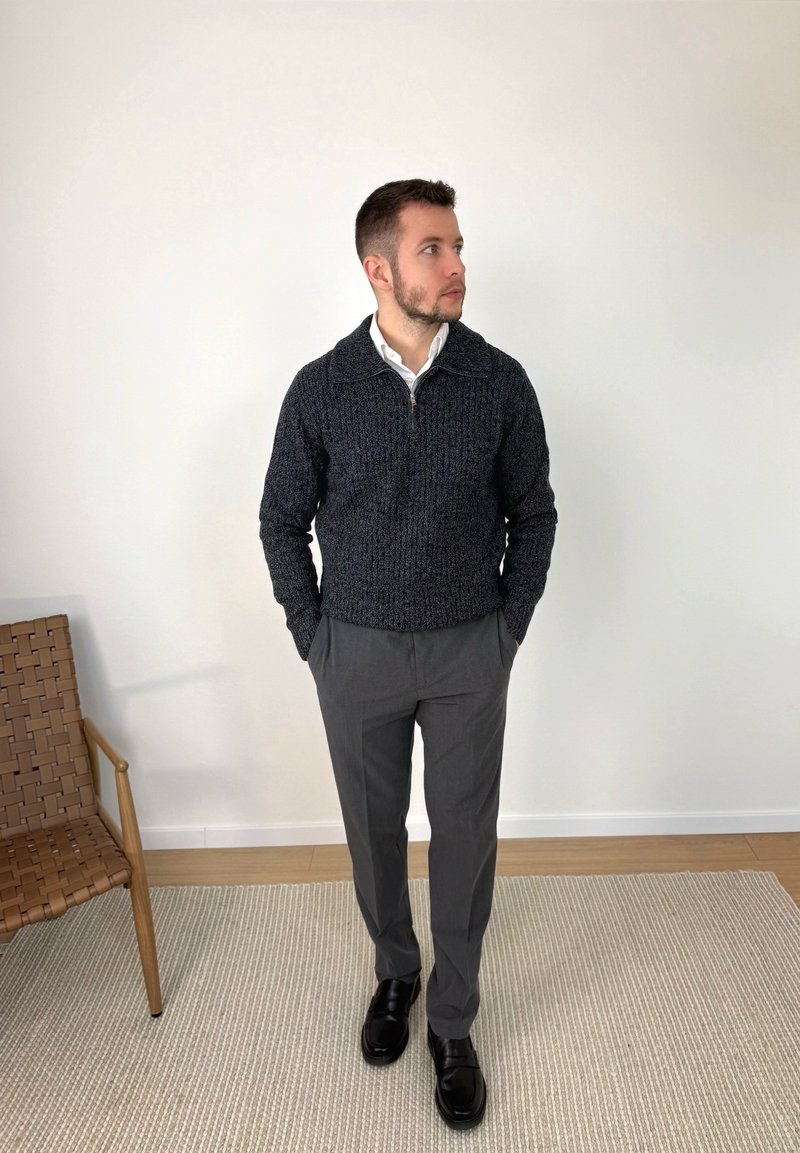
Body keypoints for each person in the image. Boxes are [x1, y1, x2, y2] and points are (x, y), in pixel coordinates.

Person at [259, 178, 557, 1130]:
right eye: (434, 248)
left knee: (465, 844)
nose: (458, 264)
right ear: (377, 267)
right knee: (374, 834)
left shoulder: (499, 381)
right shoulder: (322, 387)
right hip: (357, 652)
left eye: (458, 245)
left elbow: (534, 514)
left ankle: (454, 1021)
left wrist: (505, 631)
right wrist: (317, 639)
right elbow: (279, 521)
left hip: (471, 647)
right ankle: (397, 974)